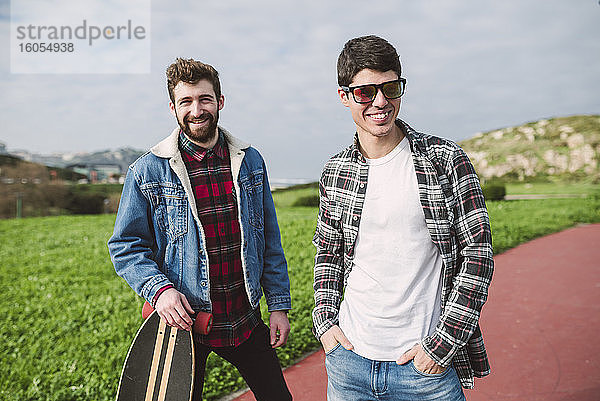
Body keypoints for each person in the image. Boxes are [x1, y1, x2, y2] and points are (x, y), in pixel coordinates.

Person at [312, 35, 494, 400]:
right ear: (344, 96)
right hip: (349, 363)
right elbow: (328, 255)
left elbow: (478, 254)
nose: (380, 102)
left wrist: (442, 347)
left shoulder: (444, 159)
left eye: (390, 87)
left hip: (424, 370)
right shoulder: (336, 170)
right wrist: (326, 325)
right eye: (365, 92)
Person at [108, 58, 292, 401]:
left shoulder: (250, 161)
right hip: (185, 326)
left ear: (220, 101)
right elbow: (125, 245)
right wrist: (159, 291)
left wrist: (278, 305)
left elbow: (268, 238)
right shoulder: (147, 171)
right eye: (186, 101)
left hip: (244, 318)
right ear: (173, 107)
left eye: (205, 99)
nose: (197, 109)